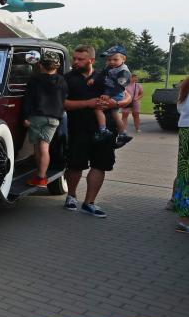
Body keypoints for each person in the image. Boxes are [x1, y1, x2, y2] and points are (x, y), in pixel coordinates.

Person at [63, 45, 130, 218]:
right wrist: (87, 103)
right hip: (78, 128)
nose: (75, 62)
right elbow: (62, 104)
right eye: (74, 58)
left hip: (106, 129)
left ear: (91, 60)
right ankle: (71, 196)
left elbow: (127, 96)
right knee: (75, 164)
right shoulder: (67, 78)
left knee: (100, 165)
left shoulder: (107, 74)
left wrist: (115, 103)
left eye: (80, 59)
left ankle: (89, 203)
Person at [21, 51, 67, 188]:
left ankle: (40, 176)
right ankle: (42, 177)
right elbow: (64, 98)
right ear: (57, 66)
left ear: (40, 65)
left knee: (38, 148)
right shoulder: (62, 81)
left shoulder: (34, 80)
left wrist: (25, 117)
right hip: (54, 119)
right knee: (45, 147)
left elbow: (28, 99)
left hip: (37, 117)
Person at [93, 45, 133, 146]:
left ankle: (103, 130)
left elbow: (120, 87)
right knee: (115, 115)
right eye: (109, 59)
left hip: (116, 94)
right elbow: (102, 73)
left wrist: (108, 95)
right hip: (112, 93)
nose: (111, 62)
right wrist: (93, 79)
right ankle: (123, 134)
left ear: (123, 59)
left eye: (115, 59)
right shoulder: (110, 67)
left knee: (98, 108)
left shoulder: (123, 71)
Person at [172, 77, 189, 232]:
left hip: (185, 130)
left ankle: (182, 213)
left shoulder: (186, 85)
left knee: (184, 173)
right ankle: (185, 220)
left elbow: (180, 108)